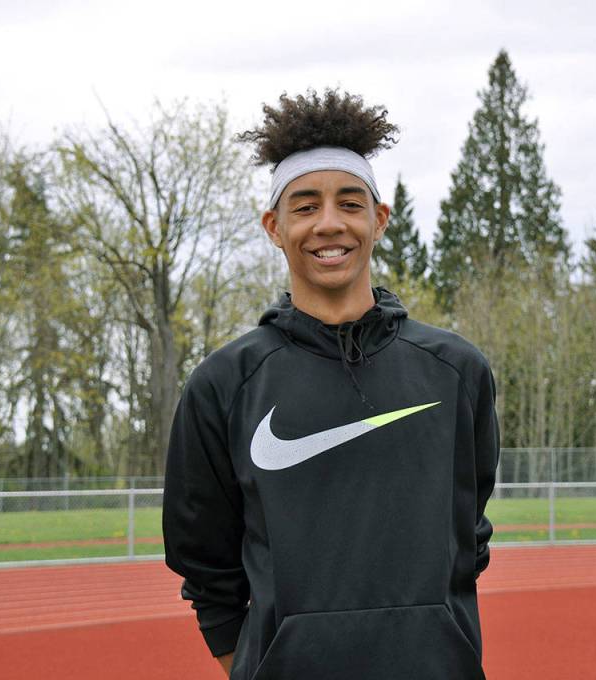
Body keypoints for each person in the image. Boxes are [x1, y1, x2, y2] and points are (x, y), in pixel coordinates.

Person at [162, 89, 500, 680]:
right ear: (274, 226)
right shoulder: (224, 384)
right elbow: (206, 566)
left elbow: (466, 537)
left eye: (349, 203)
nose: (328, 224)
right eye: (305, 206)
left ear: (379, 219)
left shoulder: (456, 371)